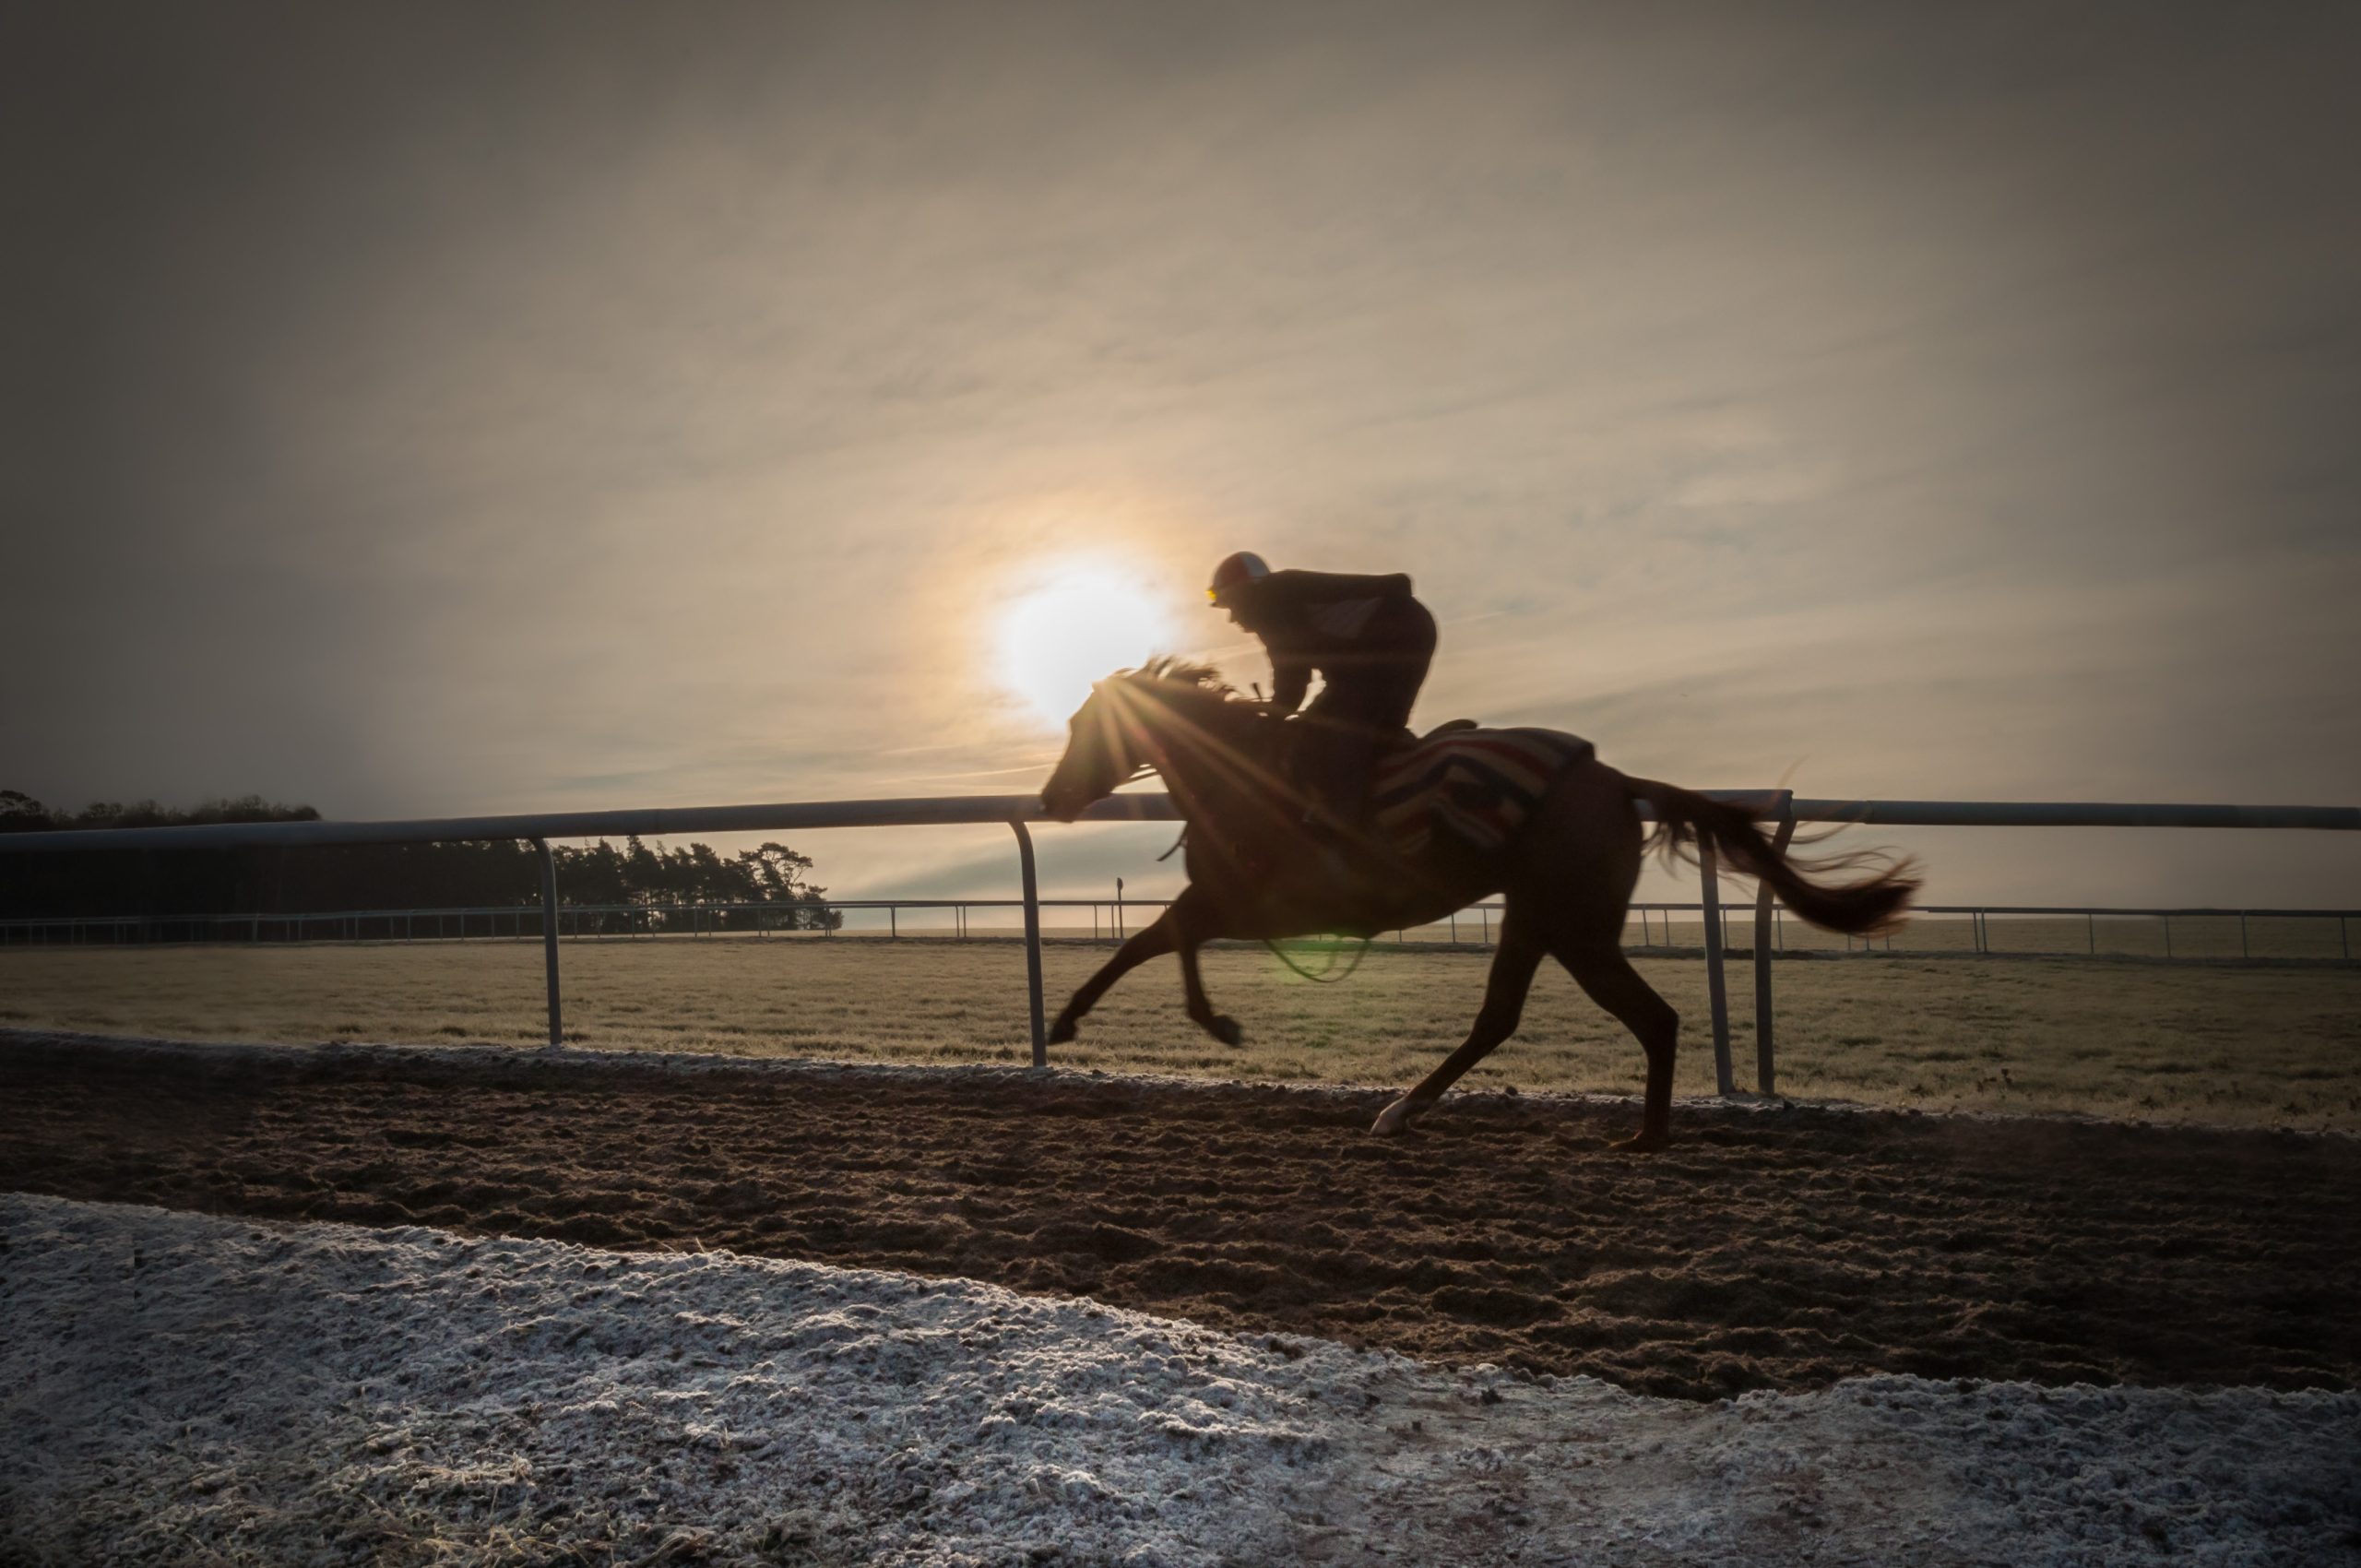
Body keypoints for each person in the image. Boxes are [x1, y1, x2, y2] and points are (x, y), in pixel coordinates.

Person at [1206, 551, 1438, 834]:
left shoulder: (1269, 602)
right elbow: (1294, 679)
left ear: (1244, 594)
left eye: (1230, 604)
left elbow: (1291, 677)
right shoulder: (1277, 597)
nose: (1232, 619)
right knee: (1370, 729)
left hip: (1388, 646)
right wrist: (1276, 710)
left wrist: (1271, 716)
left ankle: (1348, 827)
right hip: (1405, 635)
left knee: (1338, 733)